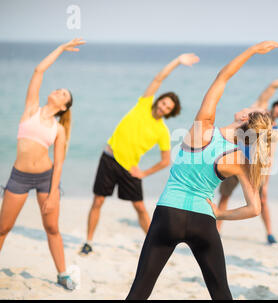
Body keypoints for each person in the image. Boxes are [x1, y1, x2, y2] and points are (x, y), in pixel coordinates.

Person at [126, 41, 278, 300]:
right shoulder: (241, 161)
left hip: (169, 214)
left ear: (244, 119)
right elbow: (255, 209)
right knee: (222, 294)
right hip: (204, 222)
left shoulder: (204, 127)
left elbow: (223, 76)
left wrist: (252, 51)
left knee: (140, 289)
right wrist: (219, 213)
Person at [79, 53, 199, 255]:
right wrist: (177, 61)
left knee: (141, 208)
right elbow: (158, 79)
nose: (163, 107)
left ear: (170, 112)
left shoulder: (162, 131)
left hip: (130, 168)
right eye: (163, 102)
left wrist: (143, 173)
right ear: (158, 100)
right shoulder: (143, 104)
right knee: (98, 201)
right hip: (109, 159)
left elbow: (165, 161)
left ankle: (154, 243)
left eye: (168, 107)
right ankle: (89, 241)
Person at [0, 38, 85, 290]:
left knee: (51, 227)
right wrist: (60, 48)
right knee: (3, 227)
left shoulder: (59, 129)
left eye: (63, 94)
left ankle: (62, 274)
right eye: (59, 89)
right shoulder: (31, 109)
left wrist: (53, 194)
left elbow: (58, 164)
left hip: (46, 179)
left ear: (63, 106)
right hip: (19, 177)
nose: (58, 91)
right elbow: (39, 70)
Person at [216, 74, 278, 244]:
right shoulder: (259, 109)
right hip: (235, 158)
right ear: (276, 104)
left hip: (253, 166)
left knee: (262, 200)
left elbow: (268, 158)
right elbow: (273, 85)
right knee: (225, 195)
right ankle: (217, 229)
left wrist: (266, 182)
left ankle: (269, 233)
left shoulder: (275, 131)